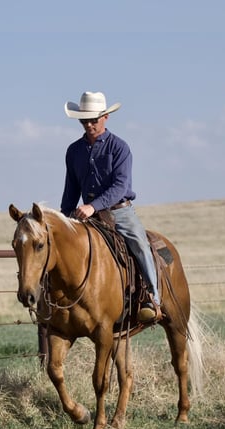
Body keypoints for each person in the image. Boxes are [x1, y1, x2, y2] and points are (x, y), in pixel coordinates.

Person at [60, 91, 160, 322]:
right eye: (84, 120)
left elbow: (119, 186)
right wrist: (65, 217)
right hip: (87, 214)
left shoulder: (119, 148)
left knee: (139, 244)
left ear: (105, 117)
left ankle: (154, 299)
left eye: (94, 119)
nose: (89, 124)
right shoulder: (73, 151)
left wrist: (93, 206)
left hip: (119, 211)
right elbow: (71, 188)